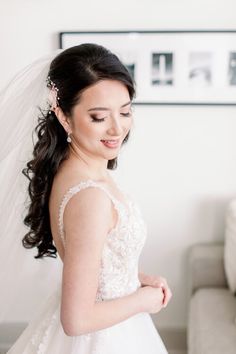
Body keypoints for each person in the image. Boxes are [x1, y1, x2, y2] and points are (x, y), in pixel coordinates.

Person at [3, 43, 172, 353]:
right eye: (98, 117)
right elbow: (77, 320)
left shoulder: (74, 169)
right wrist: (142, 300)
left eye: (125, 111)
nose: (117, 128)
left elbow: (98, 261)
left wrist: (135, 279)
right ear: (64, 117)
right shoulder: (90, 196)